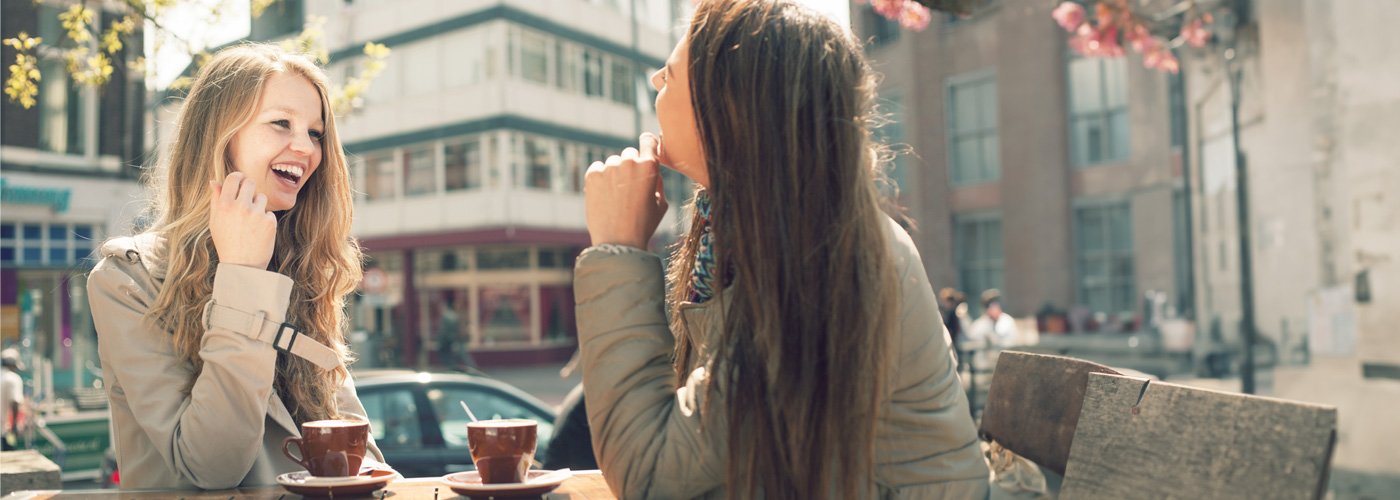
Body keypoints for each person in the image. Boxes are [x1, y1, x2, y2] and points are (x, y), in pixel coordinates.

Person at [572, 1, 989, 497]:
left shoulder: (825, 258)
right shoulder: (753, 238)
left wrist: (618, 250)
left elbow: (653, 475)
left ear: (731, 105)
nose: (658, 80)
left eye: (675, 72)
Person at [87, 44, 386, 490]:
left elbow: (355, 449)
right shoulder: (128, 278)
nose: (305, 147)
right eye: (281, 123)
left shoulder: (304, 271)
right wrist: (243, 274)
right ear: (219, 138)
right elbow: (211, 466)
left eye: (316, 133)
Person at [967, 289, 1020, 368]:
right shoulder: (979, 324)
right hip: (984, 367)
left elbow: (1013, 342)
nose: (993, 309)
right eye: (989, 306)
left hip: (1004, 364)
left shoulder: (1007, 321)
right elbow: (973, 342)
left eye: (995, 305)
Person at [1, 348, 24, 451]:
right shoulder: (13, 379)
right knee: (9, 454)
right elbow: (15, 402)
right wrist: (14, 424)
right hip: (6, 430)